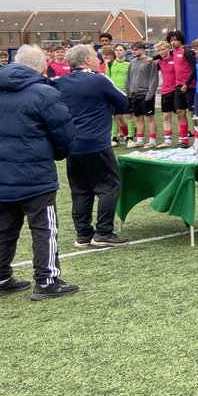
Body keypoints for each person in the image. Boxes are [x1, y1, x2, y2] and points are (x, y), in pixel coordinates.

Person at [0, 44, 77, 300]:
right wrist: (58, 154)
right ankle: (46, 280)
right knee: (44, 228)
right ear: (42, 66)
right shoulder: (45, 93)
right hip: (34, 173)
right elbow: (64, 135)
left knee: (3, 228)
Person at [55, 45, 131, 249]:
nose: (99, 60)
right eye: (96, 57)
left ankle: (83, 234)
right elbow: (124, 101)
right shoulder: (98, 79)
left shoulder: (61, 82)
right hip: (96, 142)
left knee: (80, 190)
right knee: (109, 186)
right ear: (87, 60)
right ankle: (104, 232)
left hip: (72, 144)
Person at [167, 29, 197, 148]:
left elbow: (194, 70)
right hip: (178, 86)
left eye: (175, 40)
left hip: (190, 86)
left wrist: (186, 84)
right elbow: (161, 54)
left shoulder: (187, 52)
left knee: (193, 113)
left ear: (181, 40)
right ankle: (184, 140)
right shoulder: (173, 51)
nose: (173, 42)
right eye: (171, 40)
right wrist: (152, 59)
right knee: (180, 112)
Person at [125, 41, 158, 148]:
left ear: (142, 49)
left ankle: (152, 140)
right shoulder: (132, 62)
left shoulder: (150, 61)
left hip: (146, 94)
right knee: (138, 118)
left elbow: (154, 79)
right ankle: (140, 140)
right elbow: (129, 78)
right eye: (132, 50)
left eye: (136, 49)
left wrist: (150, 94)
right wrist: (128, 92)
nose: (133, 52)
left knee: (150, 117)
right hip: (134, 94)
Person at [104, 44, 133, 144]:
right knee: (115, 116)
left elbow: (131, 78)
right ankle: (114, 138)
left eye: (120, 50)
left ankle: (130, 137)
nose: (118, 52)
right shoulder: (110, 64)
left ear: (125, 51)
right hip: (114, 93)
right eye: (116, 50)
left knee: (129, 115)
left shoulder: (130, 63)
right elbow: (107, 78)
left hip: (126, 93)